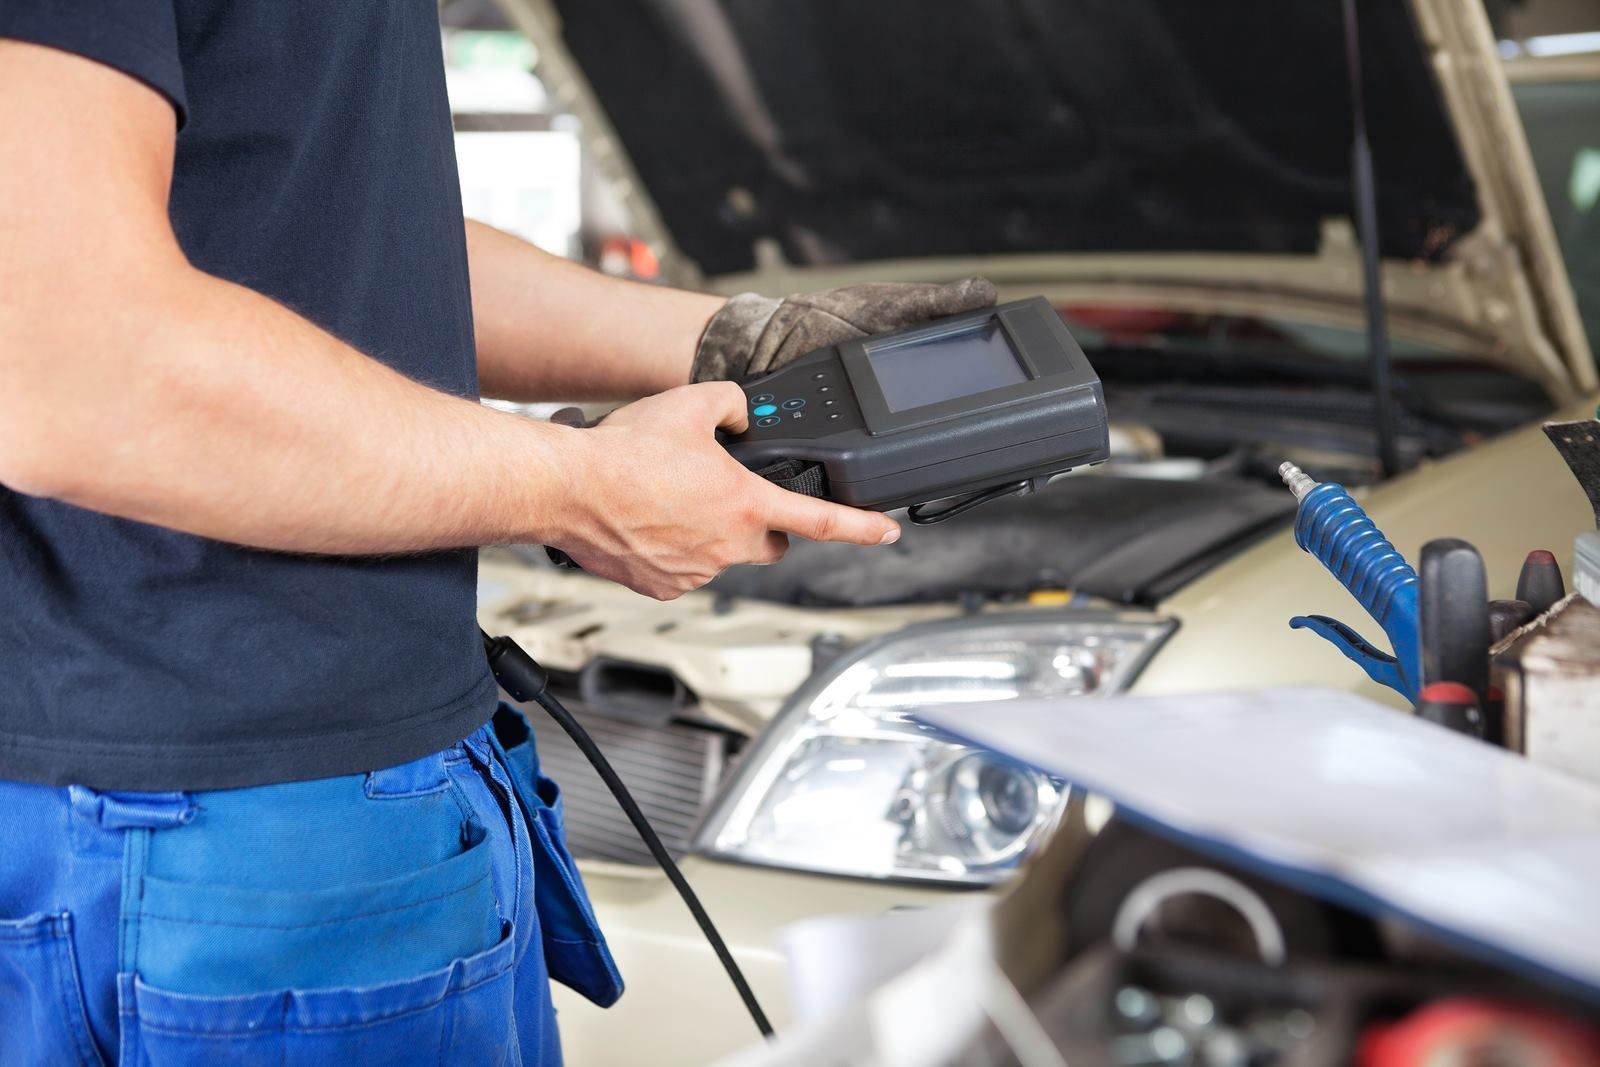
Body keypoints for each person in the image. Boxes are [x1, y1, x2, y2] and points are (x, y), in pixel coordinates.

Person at [0, 4, 996, 1064]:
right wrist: (575, 487)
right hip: (238, 834)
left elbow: (350, 248)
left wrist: (730, 340)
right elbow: (71, 365)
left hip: (285, 802)